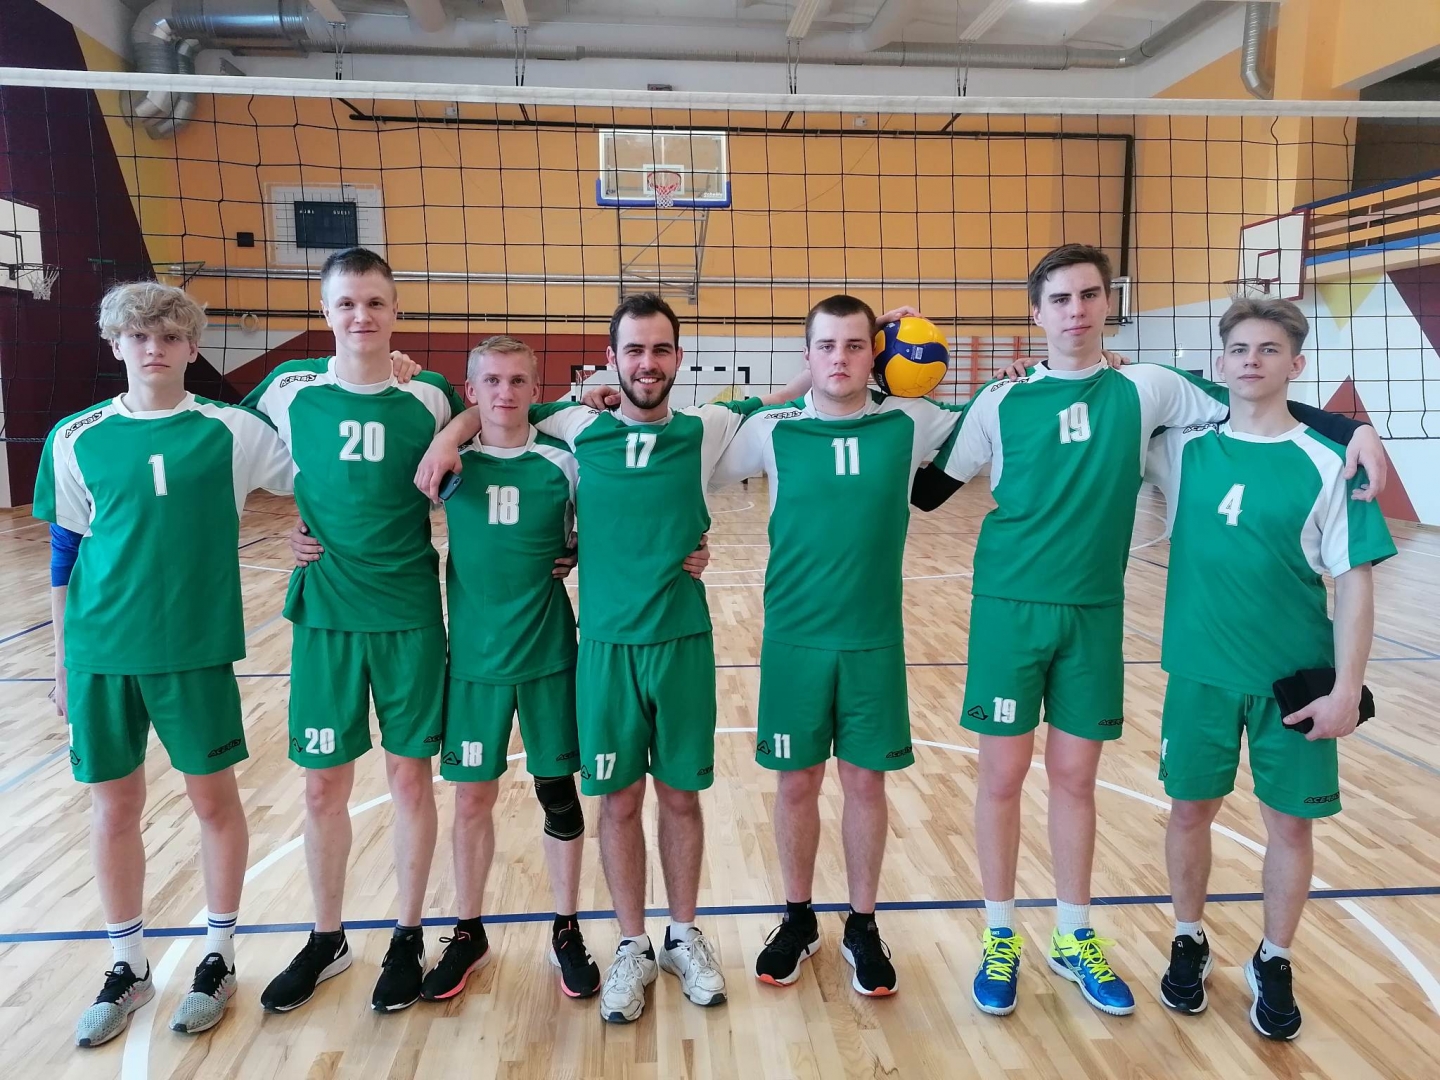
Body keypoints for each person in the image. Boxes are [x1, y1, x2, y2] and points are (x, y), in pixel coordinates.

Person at [931, 244, 1387, 1019]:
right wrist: (896, 385)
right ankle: (1001, 933)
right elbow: (928, 491)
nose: (1076, 310)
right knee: (1005, 779)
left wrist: (1353, 429)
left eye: (1089, 295)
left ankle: (1076, 934)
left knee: (1077, 781)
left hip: (1100, 616)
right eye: (1060, 298)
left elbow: (1255, 395)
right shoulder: (1005, 401)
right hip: (1015, 612)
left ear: (1108, 304)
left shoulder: (1148, 389)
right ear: (1035, 313)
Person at [415, 293, 806, 1023]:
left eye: (660, 350)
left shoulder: (706, 428)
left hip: (682, 642)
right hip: (601, 647)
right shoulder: (577, 429)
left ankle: (683, 935)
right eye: (634, 350)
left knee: (681, 797)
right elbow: (505, 410)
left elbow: (788, 397)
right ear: (612, 359)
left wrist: (872, 349)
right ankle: (631, 944)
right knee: (617, 800)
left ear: (678, 358)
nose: (647, 363)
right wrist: (450, 435)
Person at [35, 282, 294, 1046]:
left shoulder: (232, 431)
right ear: (116, 343)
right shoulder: (76, 436)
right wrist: (61, 661)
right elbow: (64, 552)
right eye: (139, 335)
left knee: (214, 802)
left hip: (194, 650)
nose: (154, 347)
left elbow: (321, 476)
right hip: (100, 651)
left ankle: (219, 955)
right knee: (113, 808)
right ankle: (128, 965)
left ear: (192, 347)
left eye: (170, 336)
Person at [1145, 298, 1394, 1040]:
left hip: (1293, 681)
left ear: (1297, 363)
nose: (1251, 361)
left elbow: (1355, 584)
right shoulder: (1181, 448)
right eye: (1239, 349)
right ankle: (1187, 937)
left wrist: (1347, 689)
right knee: (1189, 812)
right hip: (1199, 675)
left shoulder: (1329, 462)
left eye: (1269, 349)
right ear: (1220, 364)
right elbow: (1107, 392)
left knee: (1289, 826)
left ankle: (1274, 958)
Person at [707, 295, 966, 996]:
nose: (840, 358)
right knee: (796, 783)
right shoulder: (775, 430)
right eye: (827, 346)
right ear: (808, 356)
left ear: (873, 356)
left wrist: (1081, 366)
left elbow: (1003, 419)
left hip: (873, 639)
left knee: (864, 783)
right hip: (794, 638)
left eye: (855, 345)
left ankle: (863, 924)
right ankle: (797, 919)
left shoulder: (910, 421)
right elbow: (689, 460)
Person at [244, 247, 466, 1014]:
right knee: (321, 786)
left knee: (408, 779)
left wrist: (452, 431)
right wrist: (286, 526)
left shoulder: (427, 394)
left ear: (396, 310)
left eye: (374, 302)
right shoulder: (289, 387)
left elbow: (492, 410)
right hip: (327, 616)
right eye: (346, 303)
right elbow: (223, 445)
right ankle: (327, 936)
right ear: (325, 310)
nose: (361, 316)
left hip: (407, 614)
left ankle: (407, 933)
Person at [418, 335, 599, 1001]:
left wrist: (578, 548)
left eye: (518, 380)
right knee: (472, 797)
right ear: (471, 391)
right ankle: (468, 931)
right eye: (491, 380)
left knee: (558, 792)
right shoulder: (448, 462)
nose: (505, 392)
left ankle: (566, 927)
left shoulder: (563, 462)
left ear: (535, 389)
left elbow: (606, 529)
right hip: (473, 662)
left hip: (549, 655)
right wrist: (306, 534)